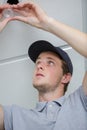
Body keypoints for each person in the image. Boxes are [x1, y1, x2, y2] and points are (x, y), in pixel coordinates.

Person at [0, 1, 87, 130]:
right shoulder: (12, 117)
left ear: (65, 77)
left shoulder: (81, 102)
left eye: (50, 62)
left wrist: (47, 23)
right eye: (38, 62)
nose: (39, 66)